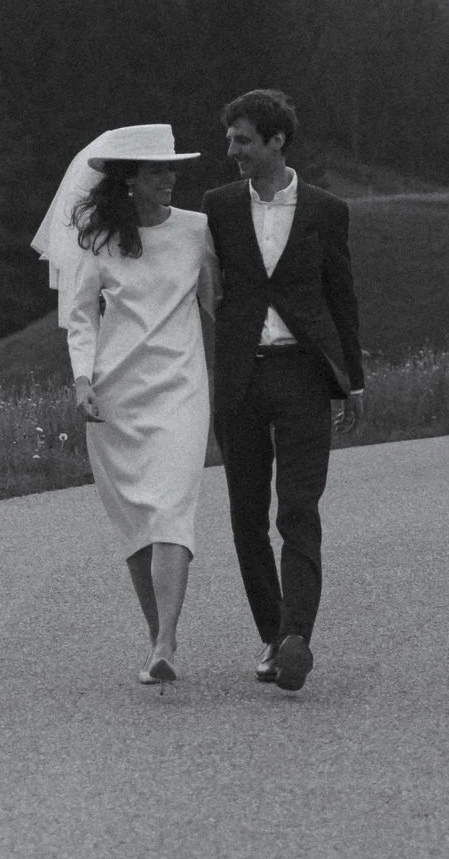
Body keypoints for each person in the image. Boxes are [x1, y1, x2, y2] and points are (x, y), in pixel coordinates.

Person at [33, 123, 216, 687]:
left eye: (171, 169)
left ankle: (166, 639)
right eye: (159, 170)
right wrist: (82, 381)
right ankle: (156, 637)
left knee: (171, 510)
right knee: (138, 523)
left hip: (182, 389)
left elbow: (219, 307)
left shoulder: (198, 231)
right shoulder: (98, 242)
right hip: (116, 396)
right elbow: (82, 316)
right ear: (130, 180)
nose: (171, 179)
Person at [202, 88, 367, 693]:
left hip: (303, 372)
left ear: (276, 141)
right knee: (247, 517)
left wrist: (353, 381)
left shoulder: (327, 210)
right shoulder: (217, 207)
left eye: (242, 140)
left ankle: (298, 636)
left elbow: (342, 298)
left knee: (298, 509)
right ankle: (273, 636)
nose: (232, 151)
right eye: (229, 139)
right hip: (240, 377)